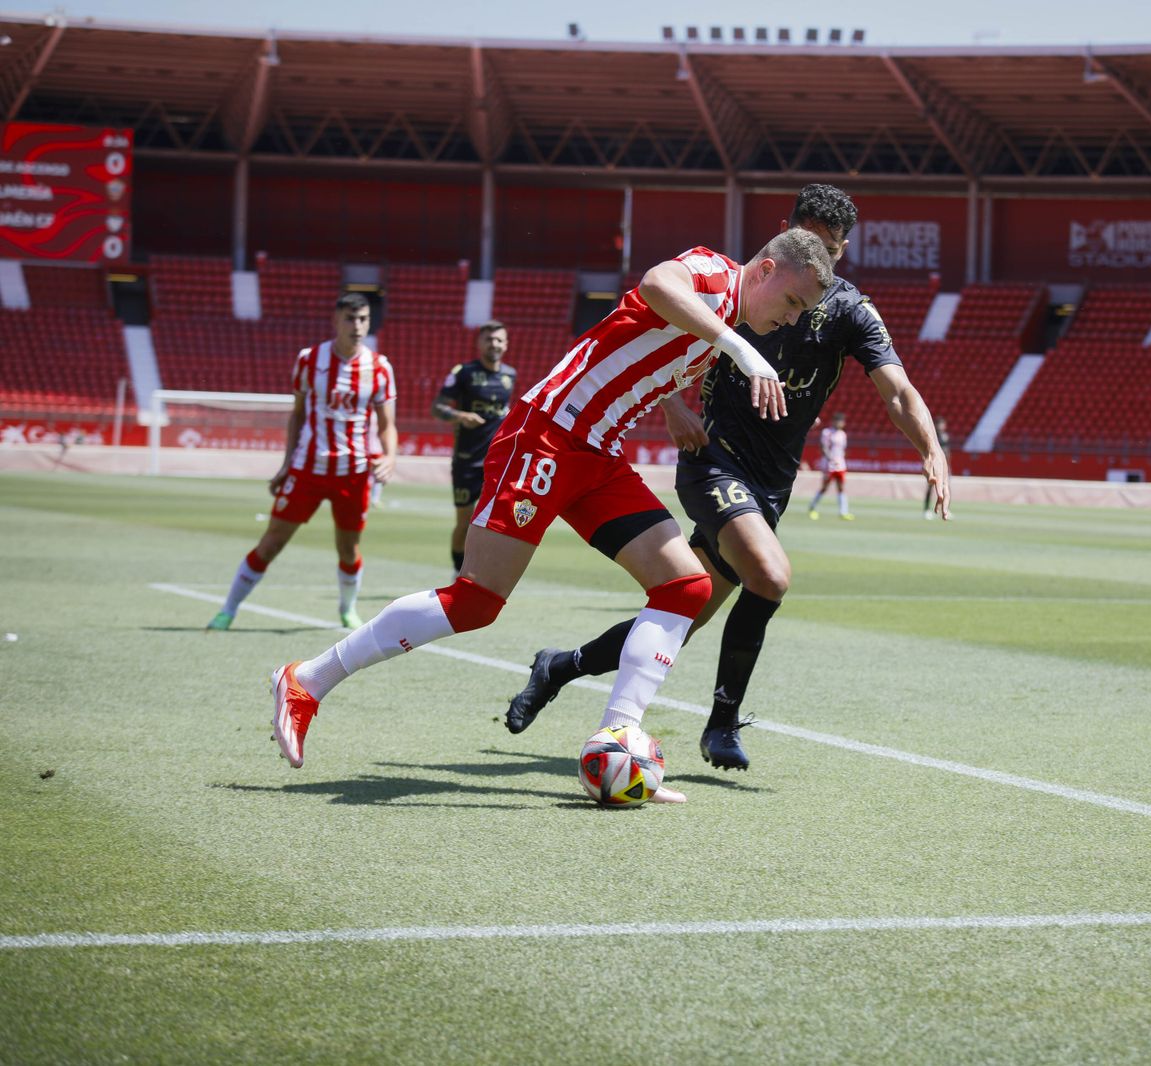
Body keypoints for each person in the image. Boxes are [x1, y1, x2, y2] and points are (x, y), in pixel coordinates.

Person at [268, 230, 834, 805]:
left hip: (599, 454)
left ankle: (619, 734)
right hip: (546, 437)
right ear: (764, 271)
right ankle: (307, 680)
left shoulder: (729, 324)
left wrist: (674, 402)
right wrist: (739, 350)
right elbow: (658, 285)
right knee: (476, 601)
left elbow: (639, 343)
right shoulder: (714, 276)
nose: (791, 320)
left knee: (686, 586)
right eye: (792, 302)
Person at [502, 183, 951, 772]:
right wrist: (671, 404)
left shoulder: (848, 311)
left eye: (832, 246)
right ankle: (721, 724)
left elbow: (897, 389)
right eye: (810, 238)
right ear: (789, 231)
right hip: (714, 460)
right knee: (769, 575)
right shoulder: (744, 285)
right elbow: (647, 328)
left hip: (772, 484)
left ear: (841, 250)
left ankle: (560, 666)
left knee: (682, 615)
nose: (819, 253)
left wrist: (932, 449)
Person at [207, 293, 396, 631]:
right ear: (336, 320)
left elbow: (387, 425)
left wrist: (391, 458)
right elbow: (296, 416)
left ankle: (347, 610)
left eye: (364, 319)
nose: (357, 326)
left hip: (353, 473)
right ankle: (228, 610)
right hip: (307, 469)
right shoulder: (309, 360)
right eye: (351, 318)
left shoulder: (380, 368)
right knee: (272, 541)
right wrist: (285, 464)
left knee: (348, 548)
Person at [434, 321, 517, 574]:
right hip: (467, 461)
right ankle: (457, 572)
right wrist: (461, 416)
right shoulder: (464, 373)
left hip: (497, 461)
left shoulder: (509, 375)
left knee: (493, 522)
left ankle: (481, 572)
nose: (494, 344)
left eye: (499, 340)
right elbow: (437, 407)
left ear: (506, 344)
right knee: (464, 523)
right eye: (489, 339)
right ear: (479, 343)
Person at [807, 411, 853, 520]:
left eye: (842, 421)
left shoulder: (842, 434)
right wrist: (830, 459)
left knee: (841, 487)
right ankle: (812, 507)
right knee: (825, 487)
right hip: (829, 464)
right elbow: (823, 447)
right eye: (839, 421)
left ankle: (843, 511)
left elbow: (842, 450)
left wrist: (840, 459)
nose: (841, 423)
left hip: (840, 464)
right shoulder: (827, 432)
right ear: (834, 421)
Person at [924, 415, 951, 519]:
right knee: (931, 487)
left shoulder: (946, 436)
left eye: (943, 424)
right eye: (939, 424)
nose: (941, 426)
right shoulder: (934, 436)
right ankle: (926, 509)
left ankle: (946, 509)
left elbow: (947, 451)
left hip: (945, 466)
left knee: (946, 488)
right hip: (935, 466)